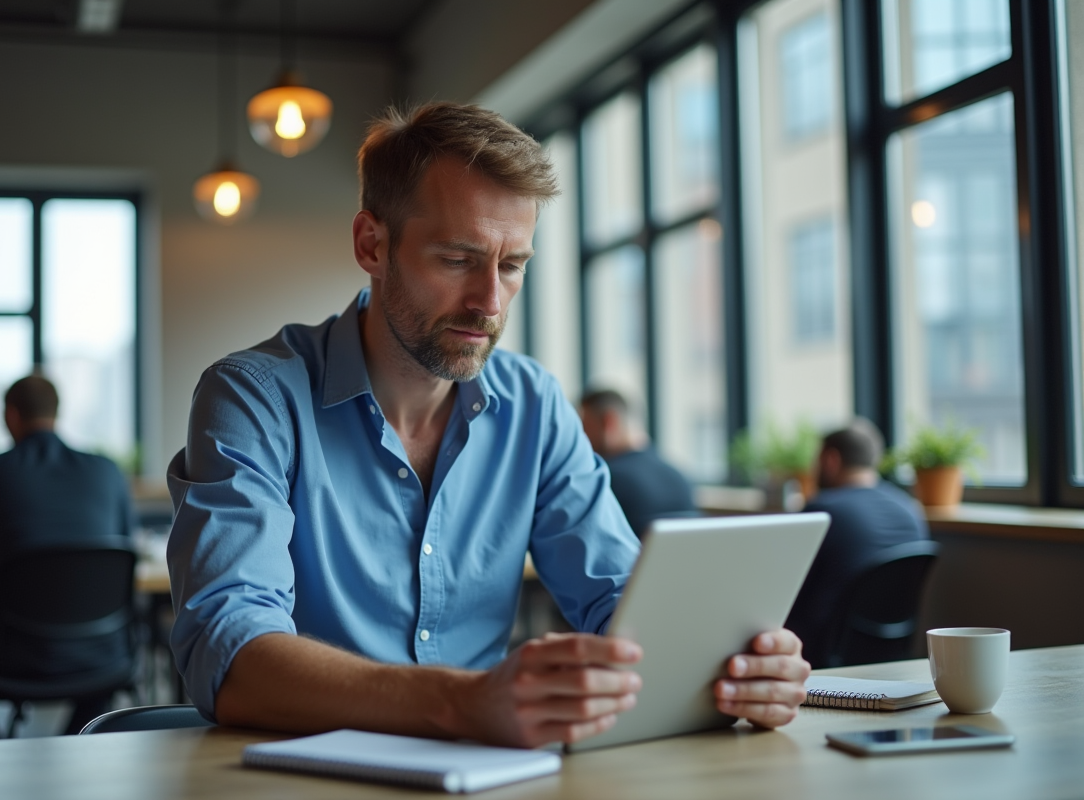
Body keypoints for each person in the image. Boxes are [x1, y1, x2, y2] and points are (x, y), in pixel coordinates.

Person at [167, 102, 810, 749]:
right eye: (457, 260)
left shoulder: (534, 404)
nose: (490, 303)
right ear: (372, 244)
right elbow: (229, 654)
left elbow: (621, 600)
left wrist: (732, 668)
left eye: (512, 266)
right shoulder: (253, 397)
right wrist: (463, 702)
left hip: (493, 772)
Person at [0, 375, 134, 739]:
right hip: (103, 653)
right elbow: (124, 550)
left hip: (9, 657)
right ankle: (75, 743)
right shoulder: (107, 471)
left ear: (10, 415)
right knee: (104, 667)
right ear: (57, 412)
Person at [784, 418, 929, 667]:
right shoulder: (911, 510)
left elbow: (788, 588)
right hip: (891, 653)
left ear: (831, 460)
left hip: (820, 653)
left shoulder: (822, 512)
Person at [579, 388, 697, 538]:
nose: (583, 437)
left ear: (608, 422)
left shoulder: (606, 479)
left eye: (585, 425)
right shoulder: (679, 477)